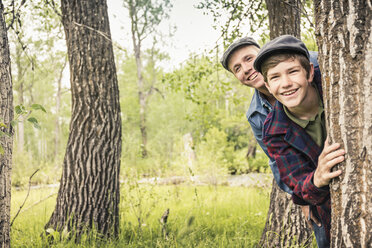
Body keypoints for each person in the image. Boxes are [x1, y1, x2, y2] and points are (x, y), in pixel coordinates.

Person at [220, 37, 327, 247]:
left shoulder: (313, 64)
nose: (246, 69)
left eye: (249, 58)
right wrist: (303, 196)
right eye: (237, 69)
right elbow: (277, 162)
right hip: (314, 179)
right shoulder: (257, 116)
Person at [253, 35, 345, 247]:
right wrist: (317, 179)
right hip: (333, 209)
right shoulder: (273, 131)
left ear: (310, 72)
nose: (285, 84)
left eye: (293, 71)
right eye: (275, 77)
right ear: (267, 85)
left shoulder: (341, 87)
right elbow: (297, 182)